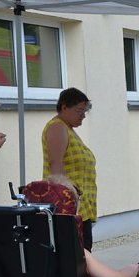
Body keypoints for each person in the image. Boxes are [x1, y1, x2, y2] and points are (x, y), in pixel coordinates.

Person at [42, 88, 97, 250]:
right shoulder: (57, 127)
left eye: (85, 111)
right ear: (64, 107)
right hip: (69, 208)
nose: (83, 115)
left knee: (82, 256)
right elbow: (55, 166)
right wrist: (69, 201)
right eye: (79, 111)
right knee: (77, 258)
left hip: (80, 208)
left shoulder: (67, 128)